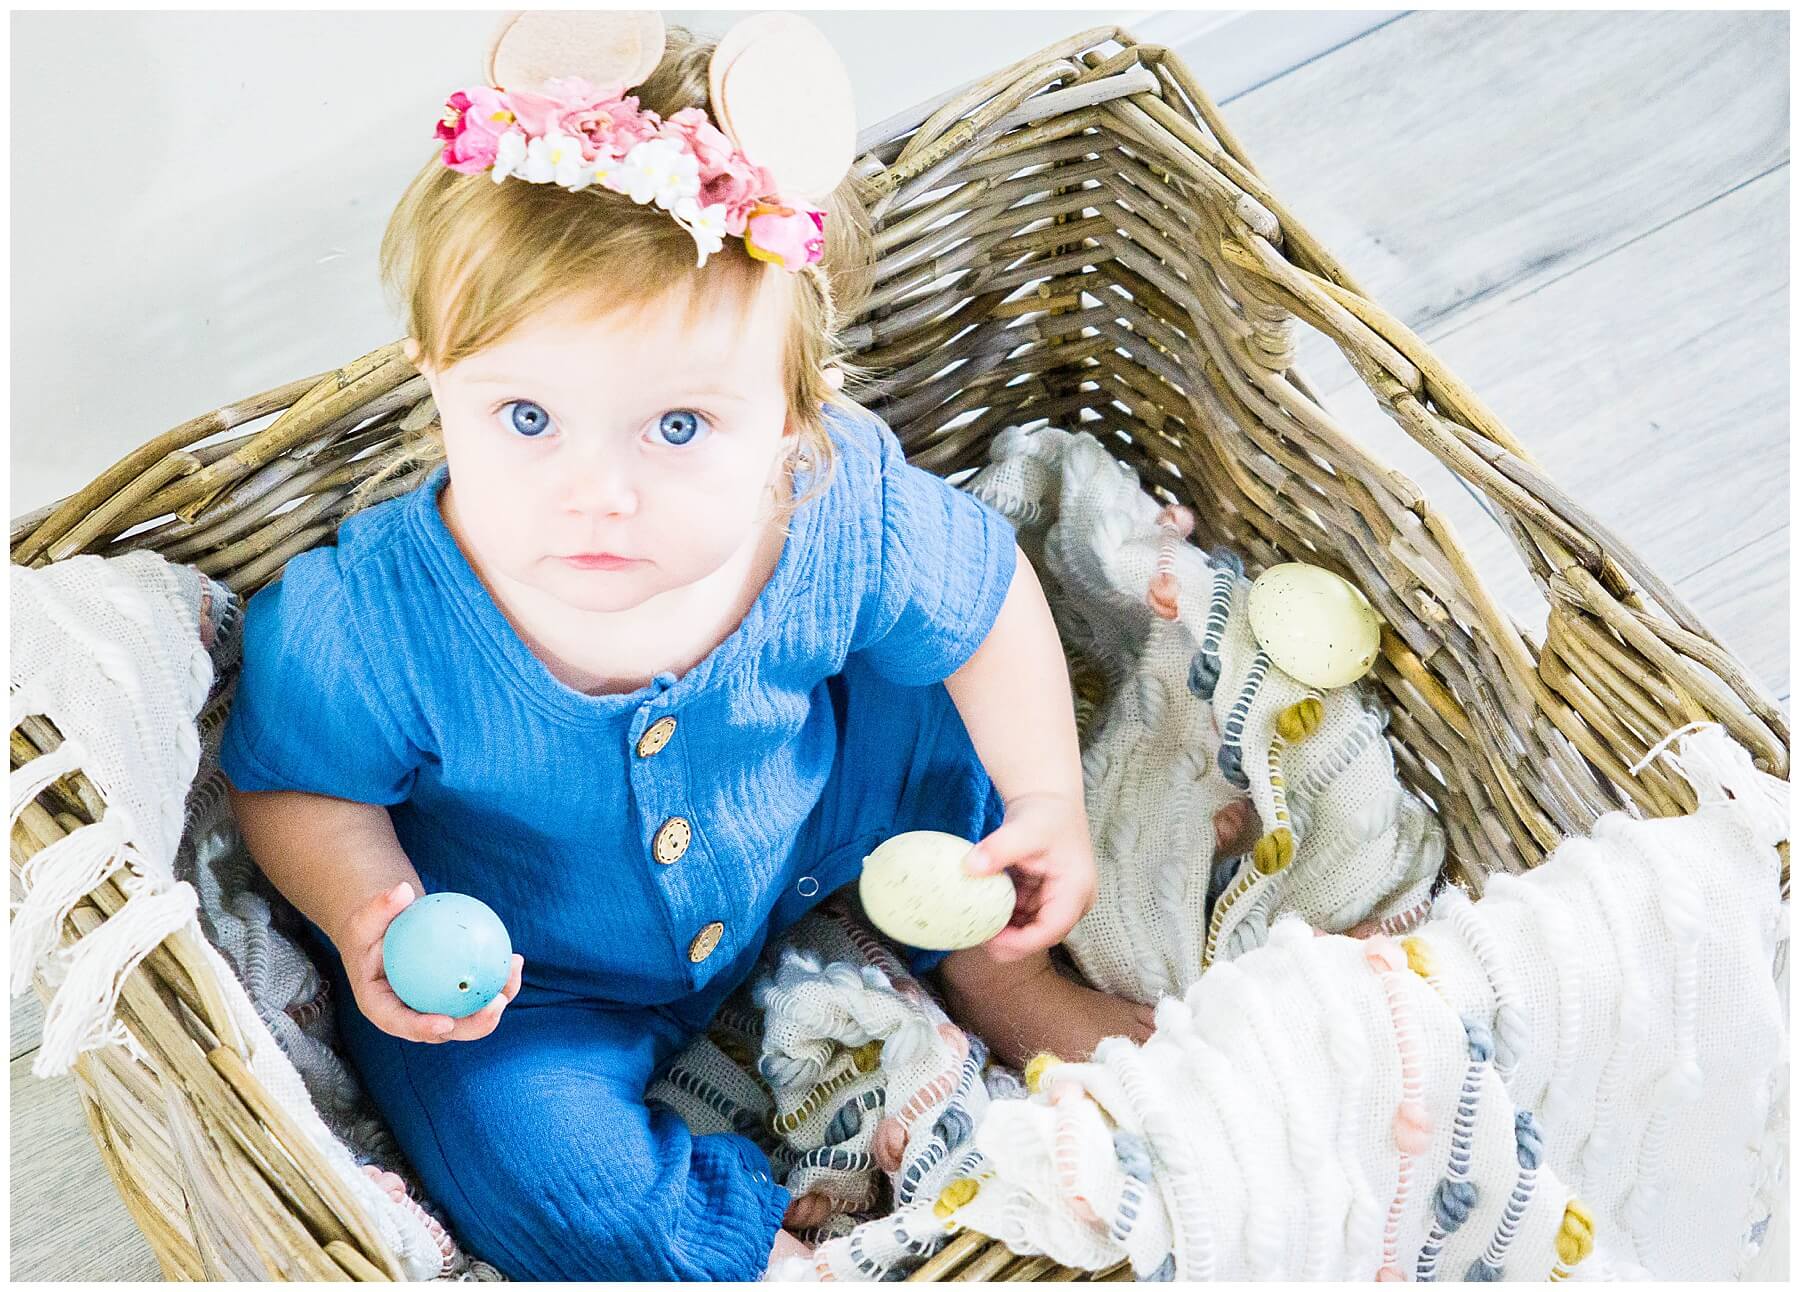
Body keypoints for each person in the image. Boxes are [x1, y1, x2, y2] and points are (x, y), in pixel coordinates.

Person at [220, 15, 1166, 1281]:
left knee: (935, 712)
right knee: (541, 1177)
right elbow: (298, 780)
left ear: (794, 414)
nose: (595, 491)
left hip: (816, 807)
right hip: (536, 969)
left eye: (678, 425)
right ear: (432, 378)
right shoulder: (374, 621)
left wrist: (1048, 795)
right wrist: (364, 913)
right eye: (527, 417)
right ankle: (729, 1232)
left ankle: (1007, 982)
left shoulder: (831, 510)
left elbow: (987, 593)